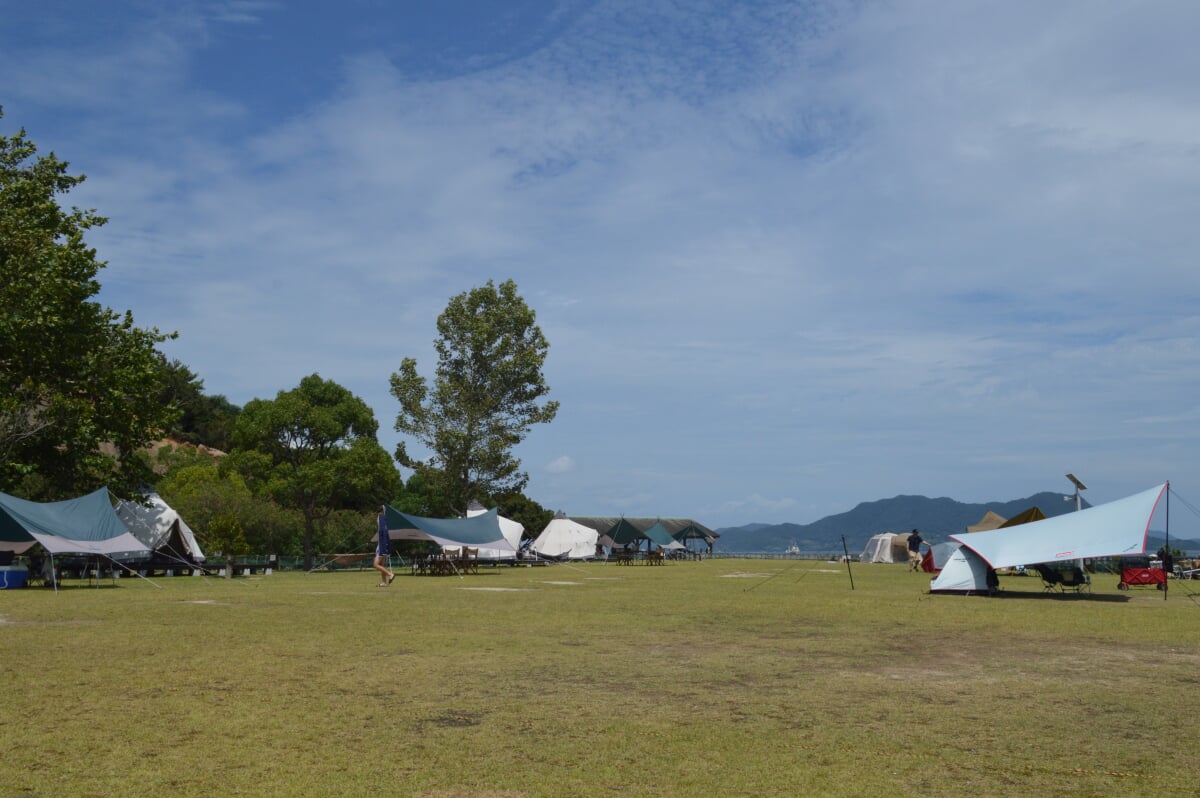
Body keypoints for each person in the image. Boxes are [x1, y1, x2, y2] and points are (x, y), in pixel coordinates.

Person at [373, 506, 396, 587]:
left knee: (375, 565)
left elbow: (380, 520)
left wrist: (381, 513)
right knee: (381, 565)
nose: (377, 520)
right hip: (381, 545)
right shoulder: (384, 524)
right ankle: (384, 583)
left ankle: (390, 574)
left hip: (381, 546)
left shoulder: (382, 521)